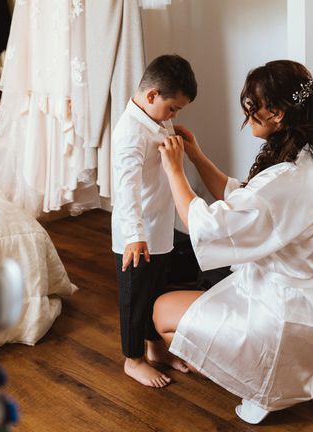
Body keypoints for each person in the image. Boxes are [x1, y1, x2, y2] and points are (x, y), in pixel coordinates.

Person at [154, 60, 313, 422]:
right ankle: (312, 373)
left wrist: (174, 170)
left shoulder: (280, 184)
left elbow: (209, 225)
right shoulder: (306, 162)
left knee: (162, 311)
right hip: (310, 314)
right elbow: (242, 197)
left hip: (275, 319)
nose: (248, 113)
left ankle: (260, 382)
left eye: (251, 105)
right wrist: (196, 157)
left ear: (275, 113)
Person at [112, 54, 197, 388]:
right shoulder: (130, 134)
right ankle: (132, 360)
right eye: (173, 108)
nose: (174, 116)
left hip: (159, 228)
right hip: (136, 235)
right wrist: (134, 235)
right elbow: (126, 190)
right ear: (151, 96)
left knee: (156, 291)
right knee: (135, 298)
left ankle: (154, 347)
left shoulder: (156, 119)